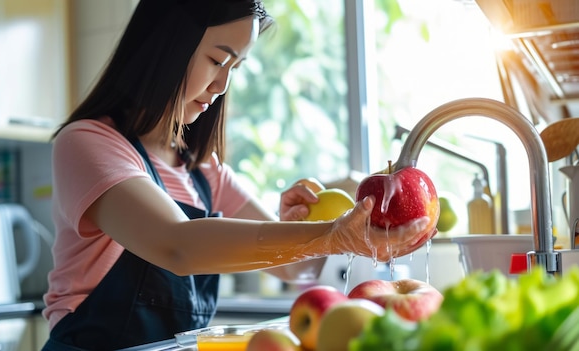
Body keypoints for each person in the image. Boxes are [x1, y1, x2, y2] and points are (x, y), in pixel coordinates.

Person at [41, 0, 433, 349]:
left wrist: (308, 220)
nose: (222, 85)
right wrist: (331, 234)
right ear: (167, 44)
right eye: (217, 60)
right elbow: (177, 245)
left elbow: (297, 268)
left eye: (235, 67)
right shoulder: (86, 143)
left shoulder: (204, 171)